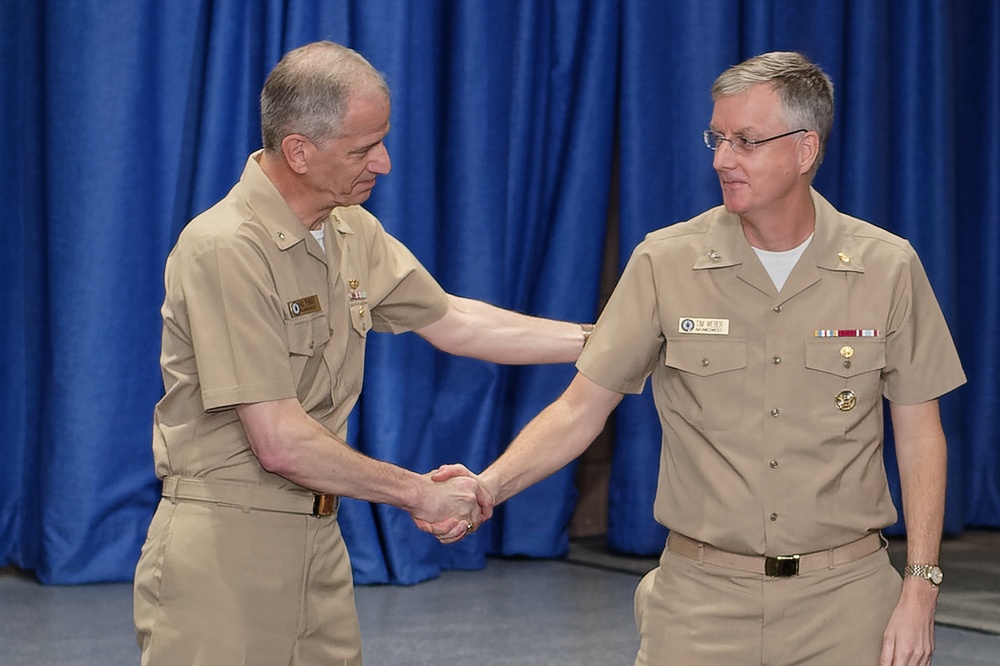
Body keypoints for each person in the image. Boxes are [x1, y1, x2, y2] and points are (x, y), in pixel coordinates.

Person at [436, 51, 966, 665]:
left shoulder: (888, 266)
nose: (721, 158)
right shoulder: (664, 262)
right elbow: (580, 409)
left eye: (745, 140)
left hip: (847, 602)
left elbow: (921, 436)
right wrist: (488, 487)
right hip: (700, 603)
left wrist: (920, 588)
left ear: (805, 150)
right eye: (716, 137)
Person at [132, 40, 590, 665]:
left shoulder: (349, 228)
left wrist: (601, 342)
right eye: (363, 147)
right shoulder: (225, 248)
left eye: (382, 139)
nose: (386, 162)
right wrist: (419, 494)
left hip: (320, 540)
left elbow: (453, 320)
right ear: (298, 150)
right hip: (226, 549)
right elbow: (280, 441)